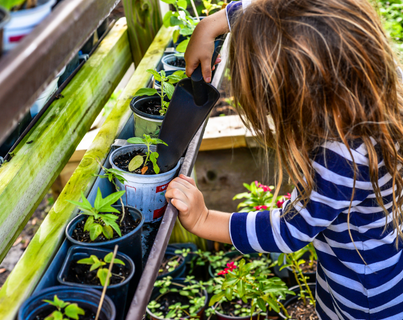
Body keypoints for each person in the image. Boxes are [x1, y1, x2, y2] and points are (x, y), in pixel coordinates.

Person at [165, 0, 403, 319]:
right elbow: (302, 9)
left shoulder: (338, 159)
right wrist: (218, 21)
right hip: (383, 264)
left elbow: (287, 231)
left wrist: (203, 219)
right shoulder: (383, 88)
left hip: (363, 300)